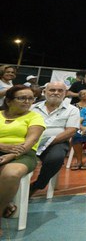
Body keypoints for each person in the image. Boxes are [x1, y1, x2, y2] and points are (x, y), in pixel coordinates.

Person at [0, 85, 45, 237]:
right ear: (9, 101)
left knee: (11, 173)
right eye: (21, 98)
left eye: (30, 98)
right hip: (3, 149)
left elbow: (30, 142)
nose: (27, 101)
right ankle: (6, 203)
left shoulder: (34, 117)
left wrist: (10, 155)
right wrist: (3, 147)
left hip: (23, 154)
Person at [29, 81, 80, 195]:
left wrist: (47, 142)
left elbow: (71, 130)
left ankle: (38, 185)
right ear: (44, 92)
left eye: (60, 90)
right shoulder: (32, 108)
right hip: (31, 141)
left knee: (55, 158)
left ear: (65, 93)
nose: (56, 93)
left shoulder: (72, 110)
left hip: (57, 142)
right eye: (52, 90)